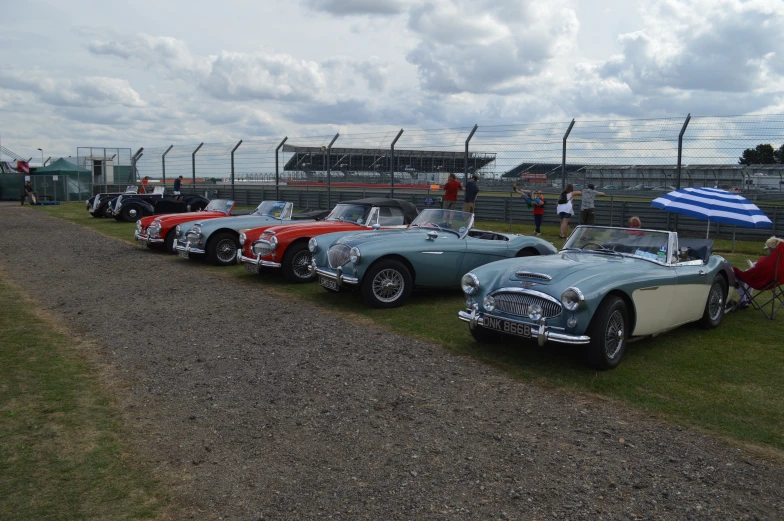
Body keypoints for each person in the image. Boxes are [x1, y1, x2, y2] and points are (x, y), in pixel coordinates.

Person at [729, 236, 784, 310]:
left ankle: (743, 300)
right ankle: (748, 297)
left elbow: (756, 272)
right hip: (775, 281)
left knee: (739, 274)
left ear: (771, 248)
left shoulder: (766, 261)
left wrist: (753, 267)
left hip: (762, 282)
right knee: (748, 275)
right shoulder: (780, 262)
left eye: (768, 249)